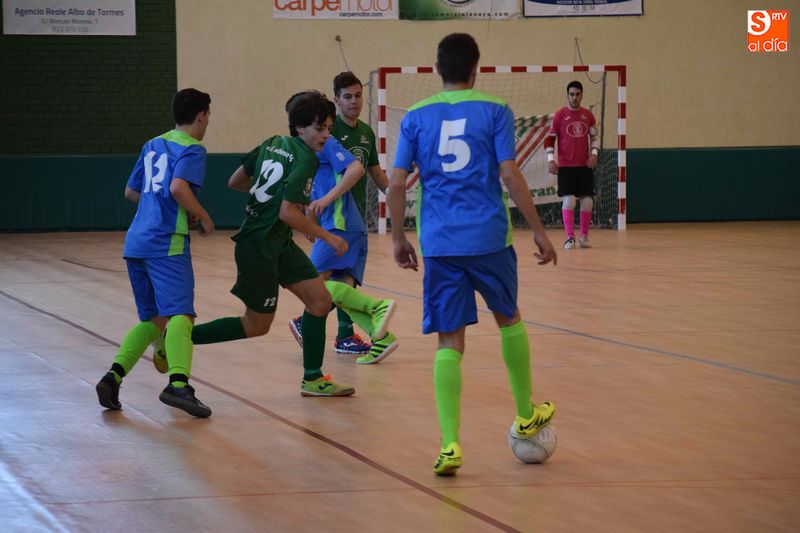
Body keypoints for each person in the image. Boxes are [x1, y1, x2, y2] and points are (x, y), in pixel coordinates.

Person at [387, 33, 558, 476]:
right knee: (509, 319)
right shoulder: (496, 109)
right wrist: (539, 230)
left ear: (437, 68)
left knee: (449, 341)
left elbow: (397, 183)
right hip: (489, 239)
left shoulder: (415, 116)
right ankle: (525, 413)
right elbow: (510, 174)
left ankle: (450, 445)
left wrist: (398, 237)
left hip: (440, 243)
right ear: (476, 67)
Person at [153, 90, 395, 396]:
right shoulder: (306, 159)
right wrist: (326, 235)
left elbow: (236, 181)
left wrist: (271, 197)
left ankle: (313, 379)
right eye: (319, 128)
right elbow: (287, 212)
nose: (325, 134)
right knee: (256, 325)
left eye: (328, 127)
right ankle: (175, 339)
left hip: (277, 241)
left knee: (320, 300)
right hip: (259, 247)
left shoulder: (271, 143)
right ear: (299, 128)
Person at [96, 88, 215, 418]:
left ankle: (113, 377)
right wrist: (202, 215)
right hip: (167, 242)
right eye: (208, 116)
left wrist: (163, 206)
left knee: (153, 320)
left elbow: (131, 191)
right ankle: (178, 385)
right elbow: (178, 187)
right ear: (201, 115)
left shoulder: (152, 144)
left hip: (137, 241)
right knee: (181, 314)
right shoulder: (192, 148)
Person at [289, 72, 392, 357]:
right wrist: (312, 218)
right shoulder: (327, 135)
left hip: (351, 217)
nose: (354, 101)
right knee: (322, 282)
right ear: (336, 100)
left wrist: (394, 193)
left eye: (358, 95)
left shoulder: (366, 133)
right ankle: (317, 325)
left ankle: (347, 335)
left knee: (344, 282)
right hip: (334, 217)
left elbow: (374, 172)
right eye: (347, 96)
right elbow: (311, 179)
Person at [544, 80, 599, 249]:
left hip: (584, 166)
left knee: (587, 202)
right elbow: (549, 139)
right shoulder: (560, 115)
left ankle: (584, 237)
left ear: (582, 95)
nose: (574, 97)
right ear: (567, 95)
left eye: (577, 94)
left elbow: (594, 137)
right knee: (569, 201)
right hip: (566, 167)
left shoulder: (588, 116)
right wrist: (550, 159)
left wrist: (594, 154)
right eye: (571, 94)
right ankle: (569, 238)